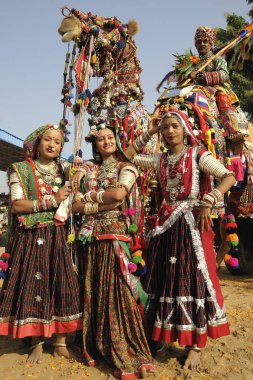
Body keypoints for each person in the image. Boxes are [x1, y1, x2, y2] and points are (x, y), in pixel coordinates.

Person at [126, 107, 236, 370]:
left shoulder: (198, 154)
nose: (169, 131)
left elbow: (228, 177)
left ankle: (195, 345)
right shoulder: (159, 160)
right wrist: (148, 131)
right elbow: (127, 156)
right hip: (165, 227)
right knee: (164, 280)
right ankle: (162, 335)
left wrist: (210, 199)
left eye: (175, 126)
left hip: (191, 225)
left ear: (185, 129)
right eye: (165, 128)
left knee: (193, 279)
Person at [71, 124, 155, 379]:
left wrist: (89, 199)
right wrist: (97, 202)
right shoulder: (87, 169)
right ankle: (98, 344)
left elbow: (119, 194)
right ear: (94, 144)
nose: (106, 141)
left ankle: (127, 348)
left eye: (110, 137)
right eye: (101, 139)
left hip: (116, 237)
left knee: (120, 292)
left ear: (116, 142)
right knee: (93, 290)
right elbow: (74, 205)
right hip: (90, 240)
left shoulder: (125, 167)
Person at [0, 123, 82, 364]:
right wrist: (53, 200)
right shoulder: (20, 169)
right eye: (48, 139)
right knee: (33, 286)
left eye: (57, 142)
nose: (52, 145)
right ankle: (36, 342)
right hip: (30, 237)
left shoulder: (62, 168)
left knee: (62, 283)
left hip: (58, 235)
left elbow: (85, 168)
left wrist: (78, 172)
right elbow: (17, 205)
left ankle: (59, 343)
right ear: (36, 143)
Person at [188, 25, 243, 140]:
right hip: (197, 90)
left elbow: (224, 74)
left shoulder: (217, 59)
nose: (202, 44)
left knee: (221, 97)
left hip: (216, 89)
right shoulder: (193, 64)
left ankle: (233, 132)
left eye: (205, 41)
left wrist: (205, 76)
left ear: (211, 44)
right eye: (198, 42)